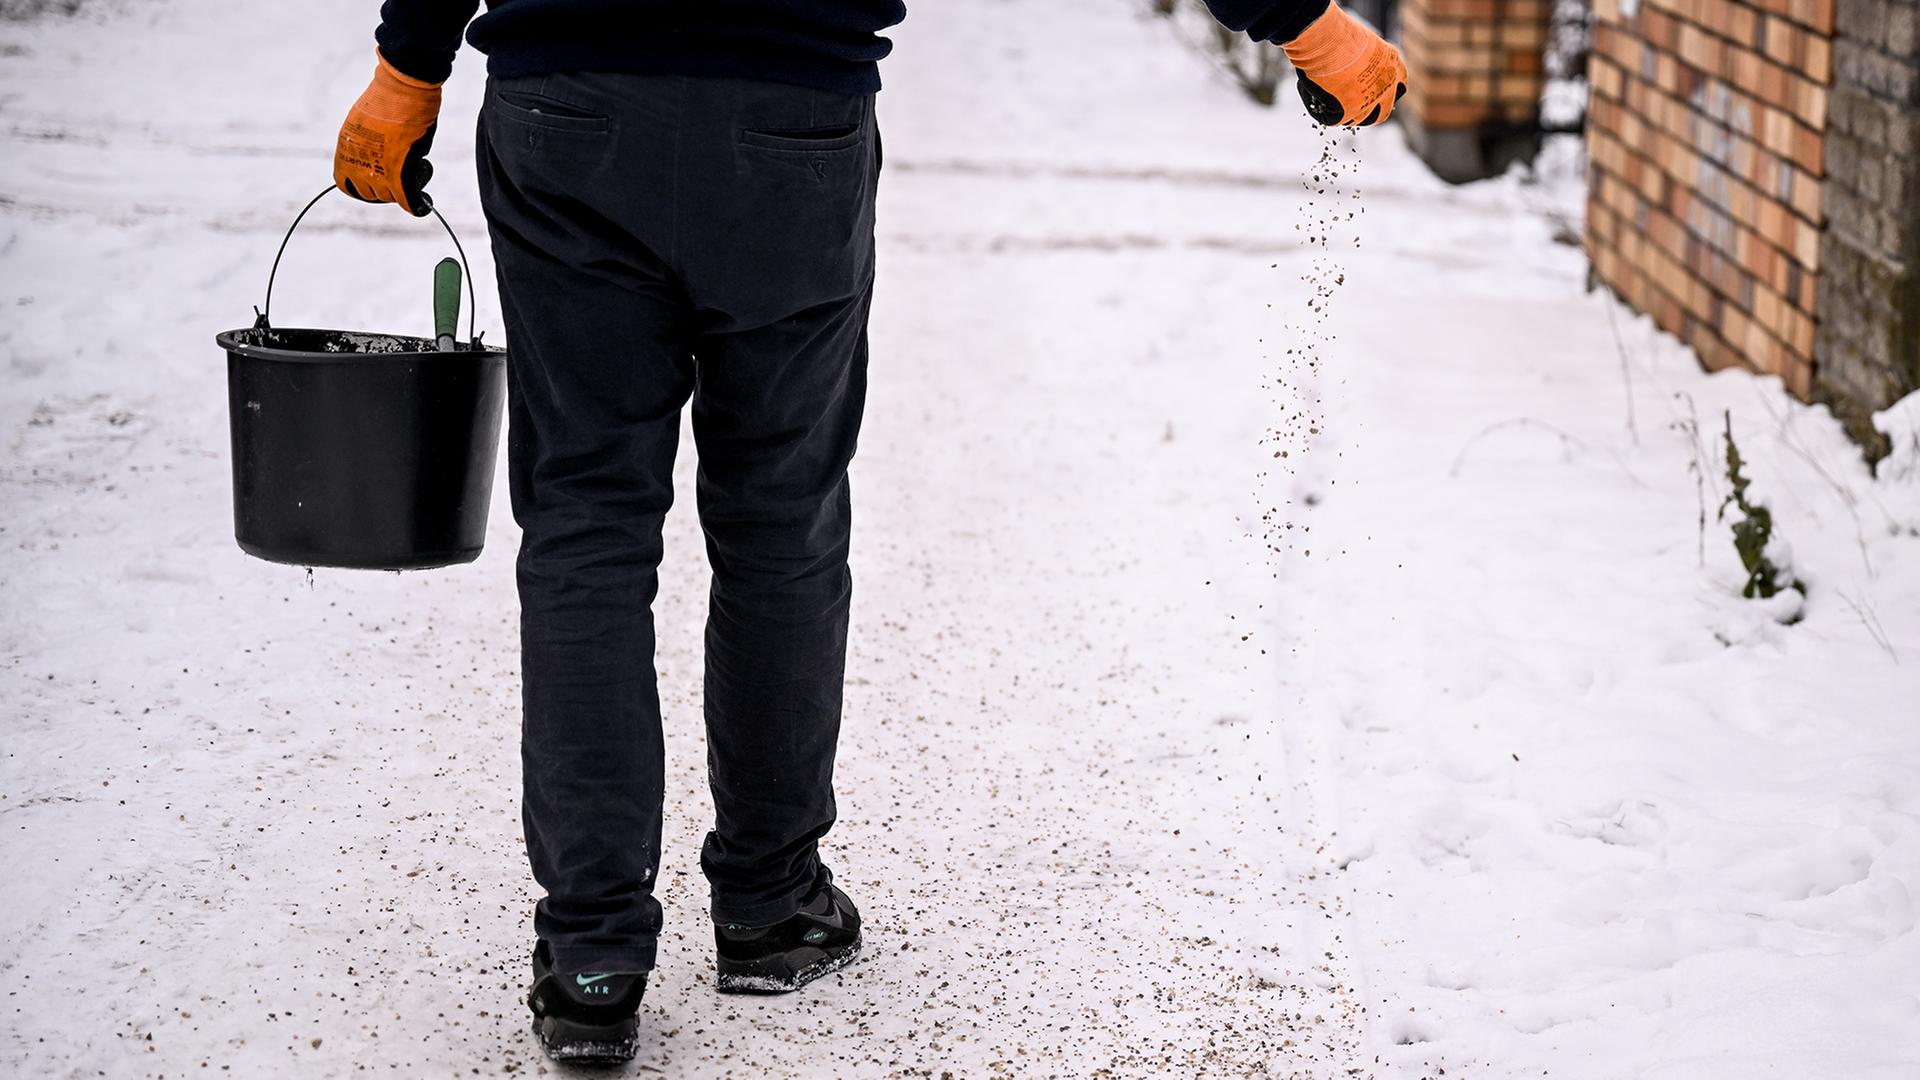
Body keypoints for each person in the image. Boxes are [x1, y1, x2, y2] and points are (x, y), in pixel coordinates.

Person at [331, 0, 1405, 1065]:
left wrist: (408, 67)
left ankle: (593, 958)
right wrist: (1304, 23)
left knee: (585, 523)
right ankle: (768, 905)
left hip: (567, 113)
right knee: (778, 518)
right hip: (791, 117)